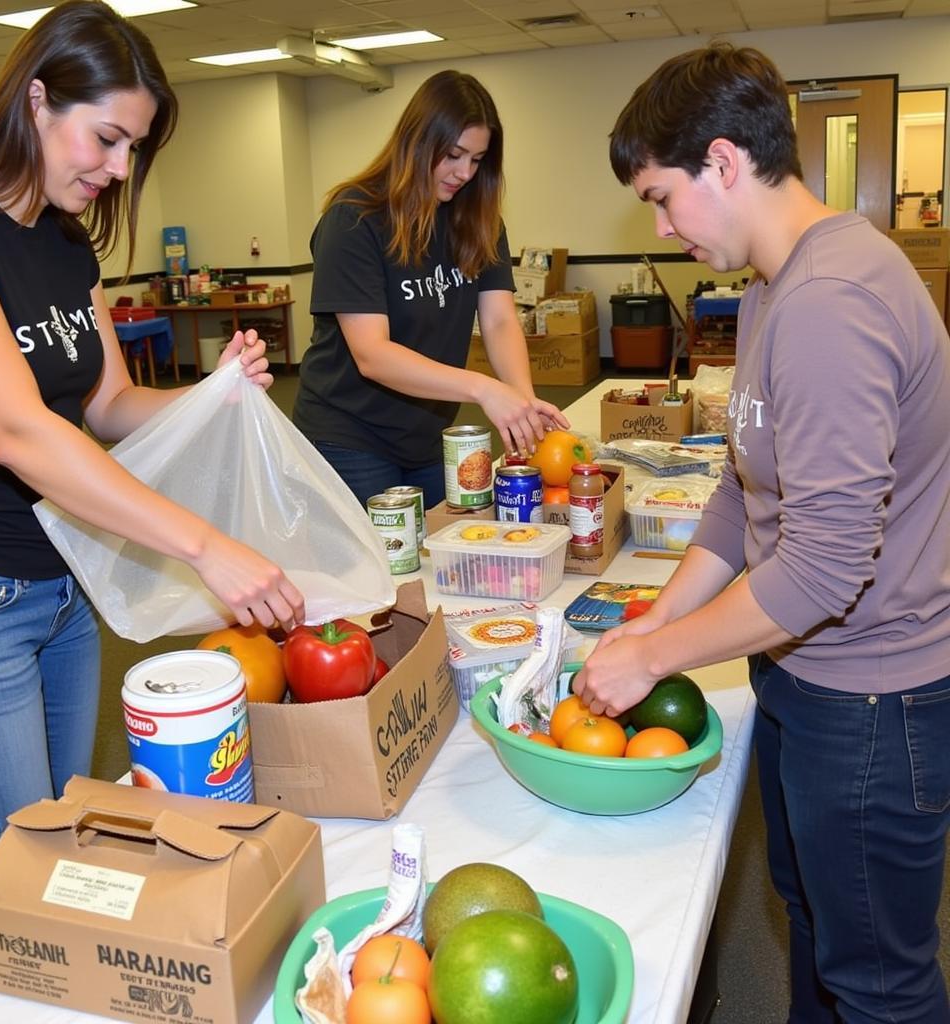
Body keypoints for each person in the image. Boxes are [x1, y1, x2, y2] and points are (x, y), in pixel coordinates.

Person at [574, 43, 950, 1024]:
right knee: (816, 928)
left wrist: (656, 653)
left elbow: (823, 568)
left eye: (661, 198)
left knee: (877, 983)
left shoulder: (830, 301)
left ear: (725, 162)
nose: (658, 224)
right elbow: (746, 498)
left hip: (871, 697)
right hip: (805, 676)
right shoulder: (775, 284)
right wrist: (652, 621)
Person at [0, 0, 304, 919]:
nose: (119, 168)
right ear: (36, 99)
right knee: (9, 874)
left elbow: (107, 404)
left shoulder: (64, 243)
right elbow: (17, 431)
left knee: (71, 839)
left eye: (133, 147)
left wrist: (212, 393)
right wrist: (205, 546)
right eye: (105, 138)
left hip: (64, 581)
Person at [293, 69, 569, 509]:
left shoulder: (478, 221)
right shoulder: (354, 218)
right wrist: (483, 389)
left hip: (427, 434)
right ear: (418, 141)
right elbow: (373, 355)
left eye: (477, 160)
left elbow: (498, 320)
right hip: (348, 434)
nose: (464, 173)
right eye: (454, 155)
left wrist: (522, 399)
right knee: (382, 567)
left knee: (444, 554)